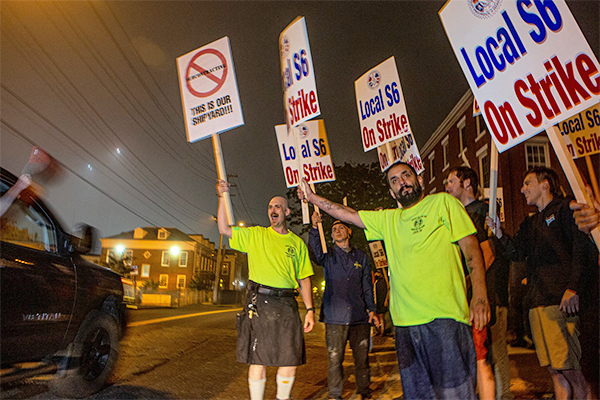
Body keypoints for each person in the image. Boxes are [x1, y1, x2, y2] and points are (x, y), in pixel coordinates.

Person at [298, 161, 490, 400]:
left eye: (406, 175)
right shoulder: (388, 220)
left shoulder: (443, 202)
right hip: (405, 327)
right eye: (395, 181)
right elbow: (348, 214)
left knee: (455, 394)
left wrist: (480, 296)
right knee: (417, 394)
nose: (402, 183)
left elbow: (471, 247)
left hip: (445, 320)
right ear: (391, 192)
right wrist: (313, 197)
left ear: (419, 179)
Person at [487, 167, 597, 400]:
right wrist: (498, 233)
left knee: (573, 371)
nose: (522, 189)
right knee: (555, 371)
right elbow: (516, 253)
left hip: (560, 304)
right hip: (538, 304)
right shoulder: (530, 224)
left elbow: (582, 249)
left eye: (528, 183)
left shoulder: (566, 209)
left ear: (545, 185)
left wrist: (573, 287)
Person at [216, 180, 315, 400]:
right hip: (259, 302)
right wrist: (222, 197)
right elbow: (223, 229)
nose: (273, 210)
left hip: (287, 304)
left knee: (290, 359)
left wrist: (310, 309)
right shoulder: (255, 235)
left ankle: (282, 398)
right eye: (270, 207)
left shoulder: (297, 243)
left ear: (287, 212)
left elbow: (304, 278)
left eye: (277, 206)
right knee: (257, 360)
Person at [446, 166, 512, 400]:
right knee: (477, 355)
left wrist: (466, 282)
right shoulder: (455, 214)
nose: (447, 186)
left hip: (489, 297)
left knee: (494, 353)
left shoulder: (484, 211)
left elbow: (488, 254)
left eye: (452, 181)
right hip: (467, 298)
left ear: (467, 183)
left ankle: (503, 396)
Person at [308, 211, 378, 400]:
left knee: (362, 359)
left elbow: (367, 286)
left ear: (349, 232)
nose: (337, 231)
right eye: (334, 229)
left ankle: (364, 390)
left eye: (341, 228)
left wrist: (372, 309)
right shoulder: (327, 255)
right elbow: (314, 252)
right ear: (330, 235)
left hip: (359, 317)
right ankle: (335, 394)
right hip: (335, 317)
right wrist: (315, 228)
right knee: (334, 358)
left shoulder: (361, 258)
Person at [373, 269, 389, 336]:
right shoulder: (376, 282)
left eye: (378, 272)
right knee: (377, 316)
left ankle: (382, 331)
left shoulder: (384, 280)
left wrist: (386, 299)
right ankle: (378, 330)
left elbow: (388, 287)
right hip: (377, 300)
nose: (377, 274)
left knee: (381, 316)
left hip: (382, 299)